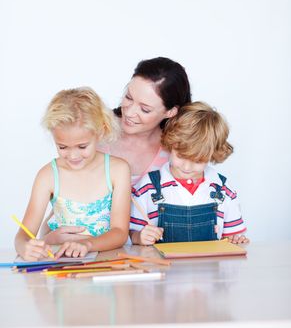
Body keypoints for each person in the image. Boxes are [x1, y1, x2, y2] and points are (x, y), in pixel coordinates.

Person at [42, 56, 192, 244]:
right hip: (84, 245)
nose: (129, 112)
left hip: (147, 249)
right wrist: (49, 238)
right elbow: (59, 203)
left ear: (170, 112)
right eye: (128, 97)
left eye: (145, 109)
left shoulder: (176, 151)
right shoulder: (95, 131)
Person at [15, 87, 131, 261]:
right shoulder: (48, 176)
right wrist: (25, 247)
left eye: (82, 146)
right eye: (62, 147)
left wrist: (88, 244)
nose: (73, 156)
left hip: (109, 264)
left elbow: (120, 233)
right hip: (64, 267)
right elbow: (22, 236)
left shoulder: (118, 170)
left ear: (100, 131)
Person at [129, 101, 249, 245]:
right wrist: (139, 237)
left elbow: (232, 237)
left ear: (212, 154)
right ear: (171, 144)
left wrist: (237, 240)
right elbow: (131, 235)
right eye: (180, 156)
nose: (186, 167)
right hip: (163, 267)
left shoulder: (223, 190)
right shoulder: (148, 188)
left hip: (210, 266)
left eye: (198, 160)